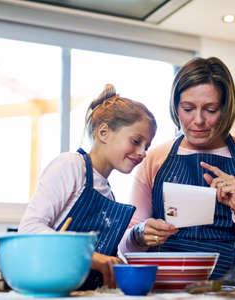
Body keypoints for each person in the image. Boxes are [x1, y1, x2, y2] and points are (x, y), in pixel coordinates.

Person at [119, 57, 235, 280]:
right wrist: (139, 235)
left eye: (210, 109)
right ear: (175, 107)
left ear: (226, 108)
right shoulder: (154, 159)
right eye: (188, 108)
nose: (198, 120)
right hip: (167, 294)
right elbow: (124, 250)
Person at [19, 84, 157, 289]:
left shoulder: (108, 194)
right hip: (51, 290)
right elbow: (29, 230)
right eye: (136, 141)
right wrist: (93, 258)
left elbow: (106, 254)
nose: (142, 152)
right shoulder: (72, 165)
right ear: (103, 132)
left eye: (147, 146)